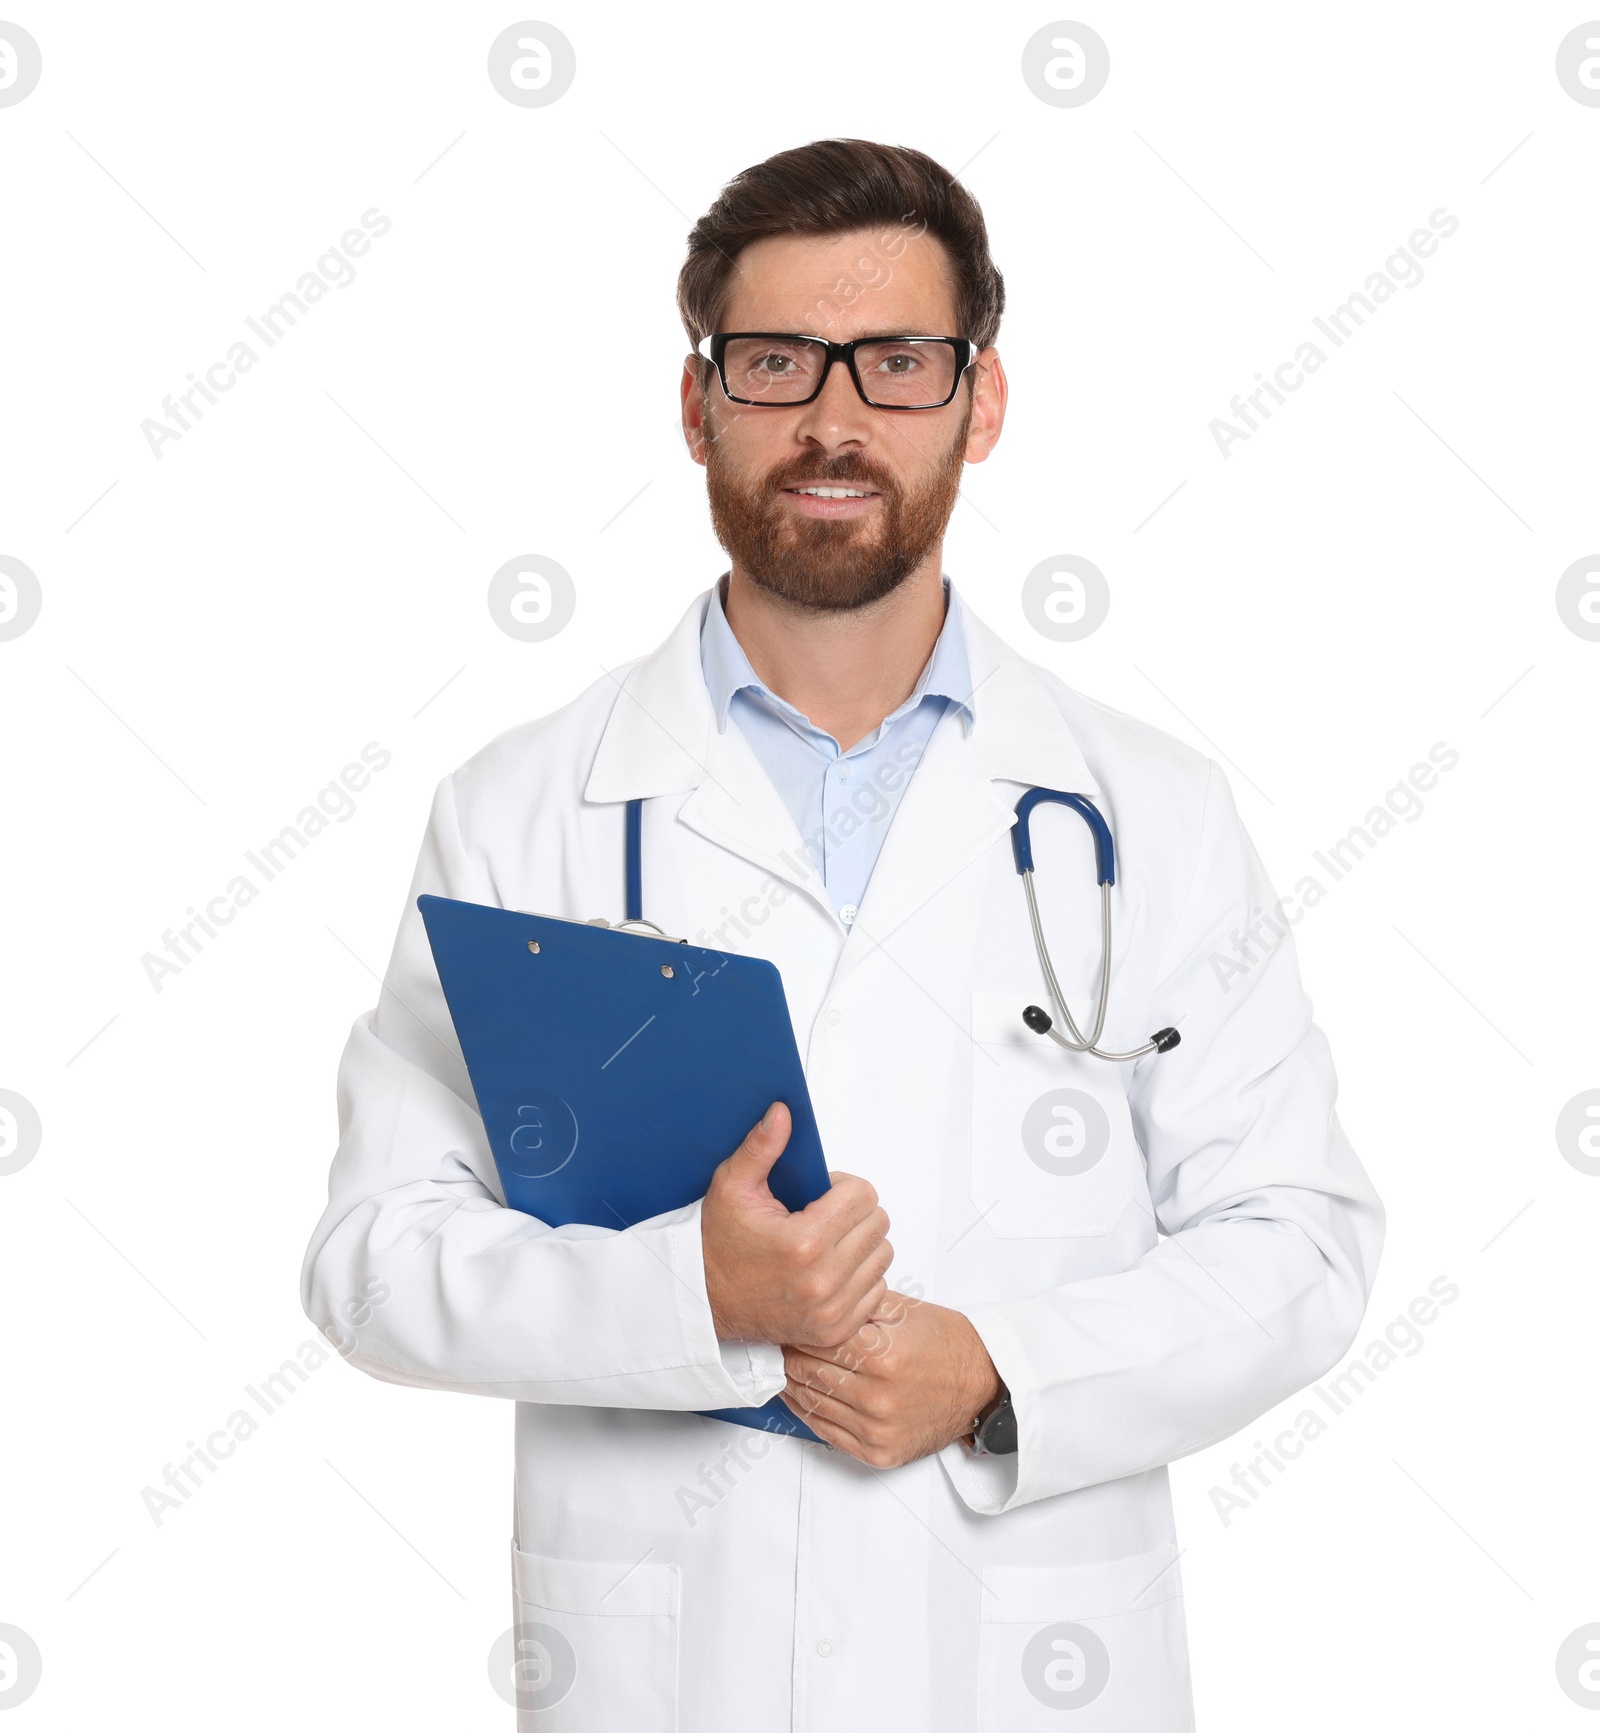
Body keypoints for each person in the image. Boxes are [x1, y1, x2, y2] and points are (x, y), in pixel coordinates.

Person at [301, 137, 1383, 1730]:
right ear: (697, 405)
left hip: (1032, 1668)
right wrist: (701, 1298)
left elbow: (1303, 1243)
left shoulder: (1146, 812)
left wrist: (1001, 1366)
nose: (833, 417)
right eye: (776, 360)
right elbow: (373, 1263)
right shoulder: (525, 809)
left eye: (895, 362)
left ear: (981, 399)